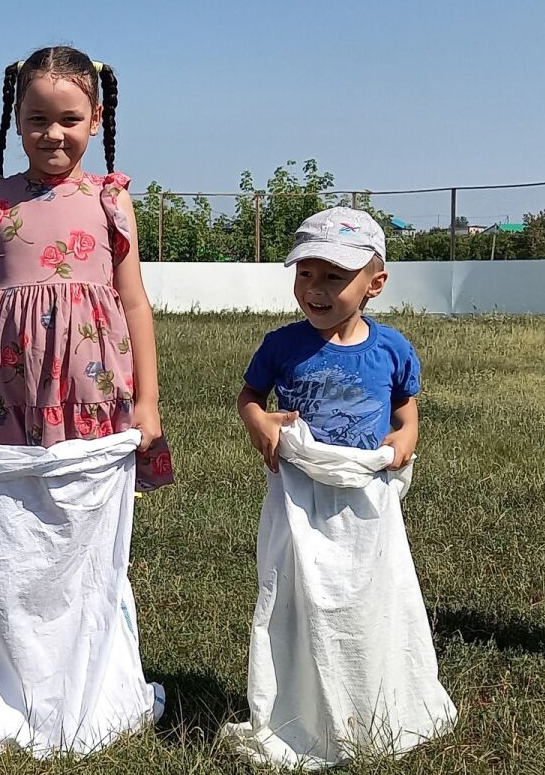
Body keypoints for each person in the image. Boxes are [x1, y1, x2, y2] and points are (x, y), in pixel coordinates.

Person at [0, 47, 166, 756]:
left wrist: (150, 403)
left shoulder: (110, 198)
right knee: (18, 536)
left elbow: (134, 303)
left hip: (93, 393)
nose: (53, 134)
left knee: (83, 533)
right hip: (7, 394)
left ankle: (94, 674)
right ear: (16, 118)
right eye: (37, 119)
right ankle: (26, 674)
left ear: (96, 120)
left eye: (70, 119)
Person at [228, 208, 454, 768]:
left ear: (375, 283)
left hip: (364, 497)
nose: (316, 289)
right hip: (299, 493)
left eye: (334, 277)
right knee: (301, 596)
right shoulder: (282, 345)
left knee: (369, 595)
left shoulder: (392, 348)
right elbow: (250, 397)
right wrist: (260, 424)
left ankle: (370, 691)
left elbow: (406, 409)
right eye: (306, 274)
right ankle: (302, 701)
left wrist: (404, 438)